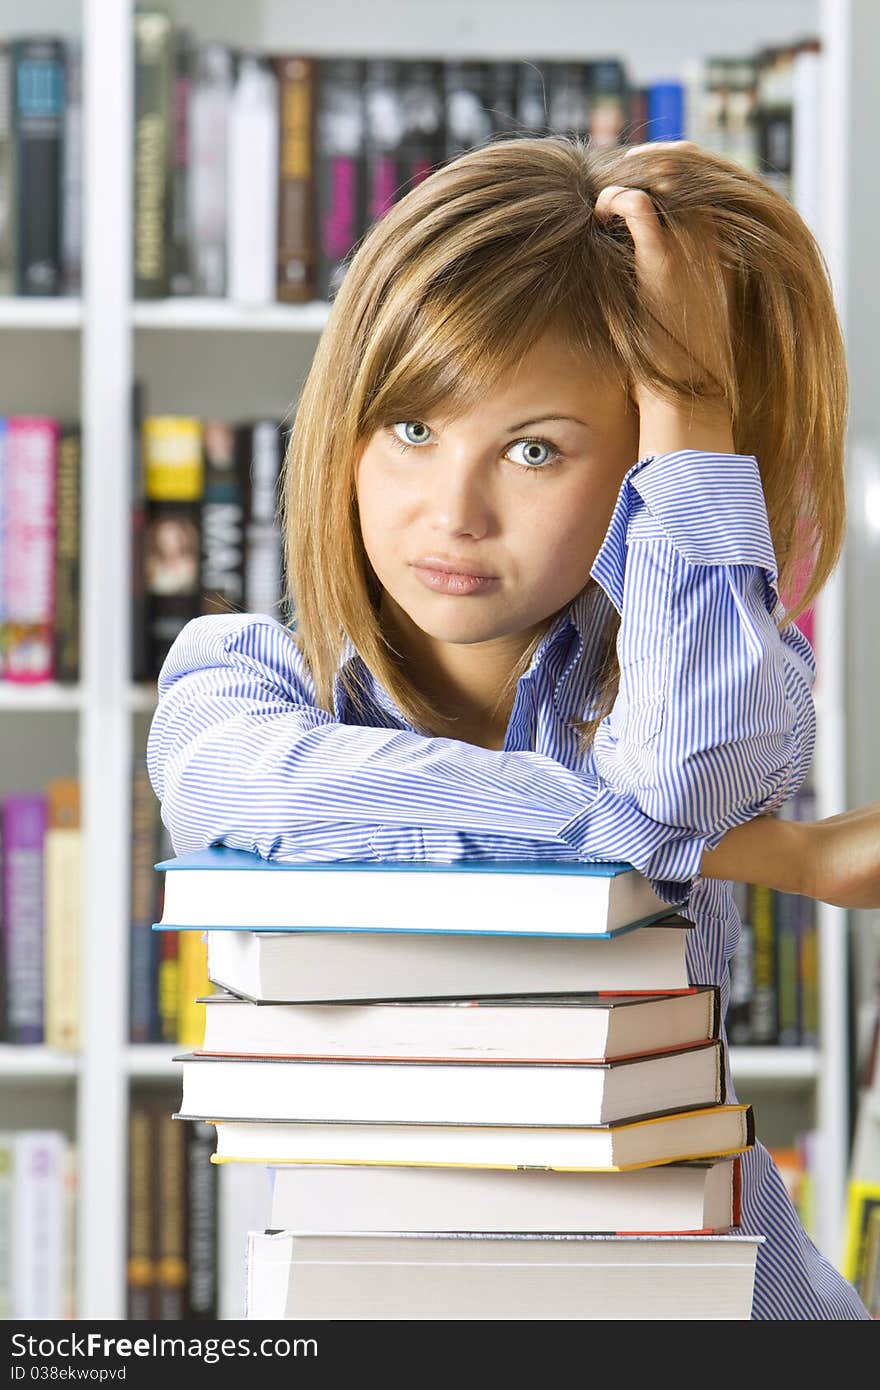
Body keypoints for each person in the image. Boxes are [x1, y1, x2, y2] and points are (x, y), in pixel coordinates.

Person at [146, 134, 876, 1318]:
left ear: (638, 463)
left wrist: (691, 398)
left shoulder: (707, 663)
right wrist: (762, 854)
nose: (453, 511)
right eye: (412, 429)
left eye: (534, 449)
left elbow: (685, 774)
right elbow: (267, 797)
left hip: (712, 1303)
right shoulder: (243, 675)